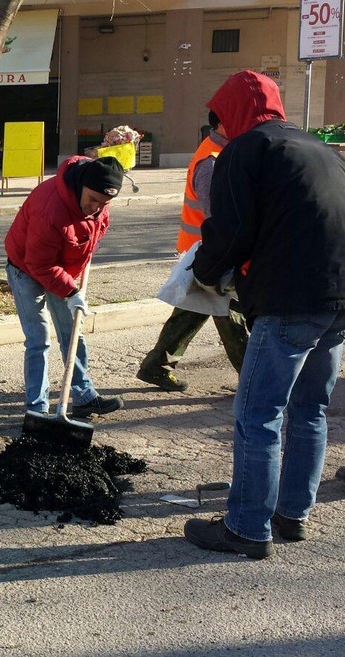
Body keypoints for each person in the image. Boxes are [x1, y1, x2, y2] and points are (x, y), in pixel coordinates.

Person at [183, 70, 345, 559]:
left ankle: (248, 528)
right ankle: (292, 516)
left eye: (221, 122)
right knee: (310, 408)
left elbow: (231, 231)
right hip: (338, 299)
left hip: (290, 298)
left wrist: (204, 273)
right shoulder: (320, 149)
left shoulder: (245, 151)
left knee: (258, 413)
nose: (221, 131)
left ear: (230, 115)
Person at [5, 155, 126, 419]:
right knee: (38, 340)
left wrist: (75, 275)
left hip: (60, 269)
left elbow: (97, 227)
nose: (97, 207)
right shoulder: (50, 209)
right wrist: (70, 292)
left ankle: (84, 397)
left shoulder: (98, 200)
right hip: (25, 269)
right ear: (81, 184)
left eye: (104, 203)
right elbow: (38, 264)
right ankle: (37, 409)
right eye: (93, 199)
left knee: (72, 334)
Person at [136, 111, 248, 392]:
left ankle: (156, 367)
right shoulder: (212, 160)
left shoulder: (219, 152)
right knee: (230, 313)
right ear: (222, 123)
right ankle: (255, 382)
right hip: (210, 254)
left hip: (202, 251)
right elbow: (218, 217)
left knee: (191, 311)